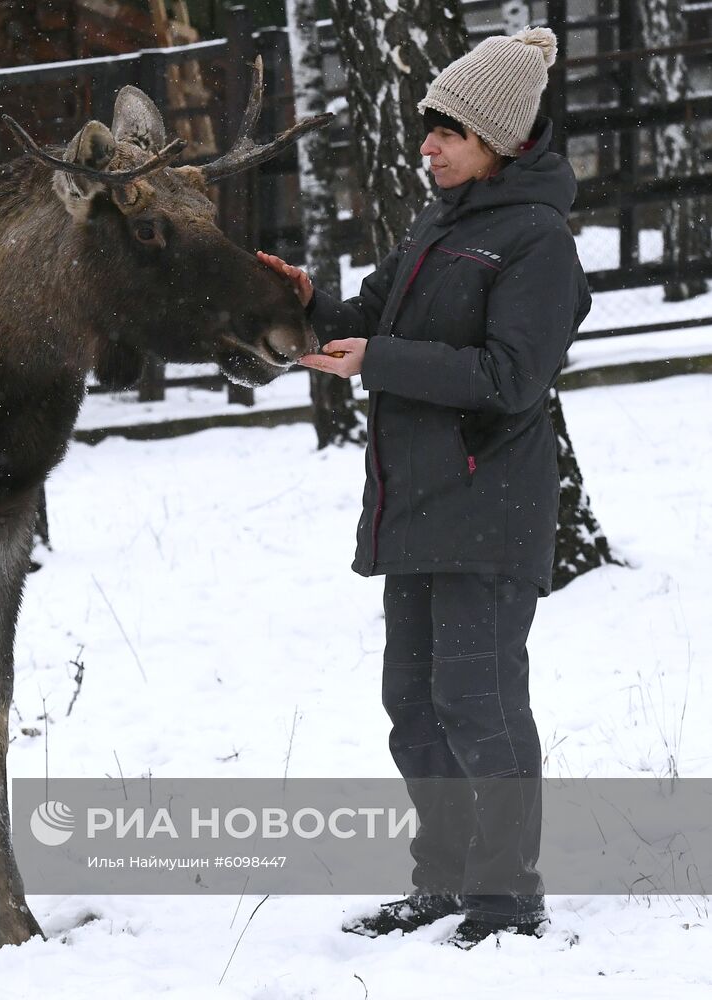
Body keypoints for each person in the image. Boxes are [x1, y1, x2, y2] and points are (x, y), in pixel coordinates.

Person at [258, 26, 590, 949]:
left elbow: (510, 378)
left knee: (477, 704)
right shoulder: (436, 226)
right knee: (414, 706)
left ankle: (504, 900)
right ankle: (441, 881)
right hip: (416, 504)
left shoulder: (537, 244)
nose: (427, 144)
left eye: (446, 131)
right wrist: (305, 300)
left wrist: (381, 361)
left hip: (491, 506)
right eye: (426, 128)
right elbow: (367, 318)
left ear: (498, 141)